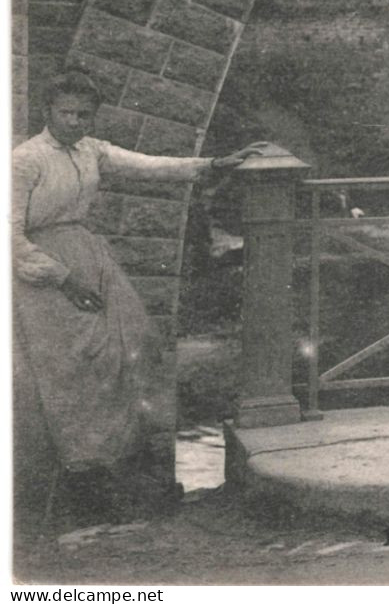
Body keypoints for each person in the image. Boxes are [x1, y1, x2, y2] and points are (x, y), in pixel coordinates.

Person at [12, 71, 267, 521]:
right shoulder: (24, 160)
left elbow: (150, 165)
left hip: (91, 260)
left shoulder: (91, 150)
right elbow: (8, 234)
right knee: (71, 371)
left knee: (132, 351)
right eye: (66, 112)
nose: (74, 122)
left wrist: (214, 164)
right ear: (48, 110)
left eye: (84, 114)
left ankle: (124, 473)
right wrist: (63, 278)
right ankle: (81, 483)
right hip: (45, 274)